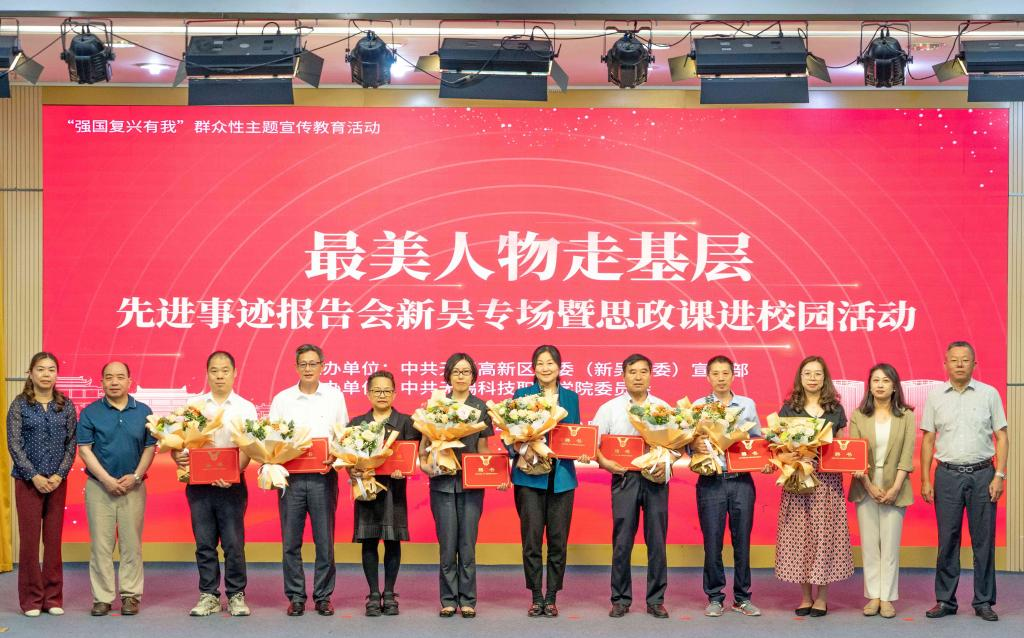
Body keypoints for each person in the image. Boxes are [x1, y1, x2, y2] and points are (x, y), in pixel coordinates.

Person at [920, 341, 1008, 622]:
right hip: (947, 476)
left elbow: (1002, 437)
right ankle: (945, 600)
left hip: (983, 475)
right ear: (945, 364)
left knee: (984, 541)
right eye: (954, 360)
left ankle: (983, 601)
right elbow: (928, 439)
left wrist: (999, 475)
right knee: (948, 539)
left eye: (965, 359)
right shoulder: (935, 396)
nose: (959, 364)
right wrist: (925, 478)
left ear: (974, 364)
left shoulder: (989, 394)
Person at [171, 351, 257, 617]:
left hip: (233, 484)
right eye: (214, 371)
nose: (220, 376)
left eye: (225, 370)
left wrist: (232, 473)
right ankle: (208, 594)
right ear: (207, 374)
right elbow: (180, 443)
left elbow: (250, 447)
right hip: (199, 485)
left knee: (233, 543)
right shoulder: (194, 405)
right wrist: (178, 455)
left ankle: (236, 595)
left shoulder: (245, 407)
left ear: (234, 373)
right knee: (204, 542)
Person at [269, 344, 348, 617]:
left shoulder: (334, 397)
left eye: (313, 363)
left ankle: (323, 596)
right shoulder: (282, 399)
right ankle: (296, 596)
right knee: (291, 542)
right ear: (296, 367)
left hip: (323, 478)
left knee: (324, 541)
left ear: (322, 366)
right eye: (303, 364)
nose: (308, 368)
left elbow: (342, 435)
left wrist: (335, 455)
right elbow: (272, 438)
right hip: (290, 479)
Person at [510, 345, 589, 618]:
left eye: (550, 363)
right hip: (529, 478)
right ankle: (535, 596)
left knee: (558, 541)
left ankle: (552, 596)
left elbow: (575, 434)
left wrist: (581, 450)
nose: (545, 368)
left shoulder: (571, 398)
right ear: (533, 368)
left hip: (561, 479)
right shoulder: (522, 395)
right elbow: (511, 434)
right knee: (531, 540)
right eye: (540, 363)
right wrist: (521, 446)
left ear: (559, 367)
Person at [690, 355, 769, 618]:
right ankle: (715, 597)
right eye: (715, 373)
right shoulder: (699, 406)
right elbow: (687, 442)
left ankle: (742, 597)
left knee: (742, 541)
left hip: (741, 481)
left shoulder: (747, 405)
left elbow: (757, 440)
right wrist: (694, 446)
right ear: (708, 377)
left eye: (725, 373)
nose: (721, 378)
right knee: (712, 541)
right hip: (711, 480)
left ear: (734, 376)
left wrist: (763, 459)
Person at [774, 355, 853, 617]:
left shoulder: (835, 409)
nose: (812, 378)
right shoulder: (789, 409)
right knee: (801, 539)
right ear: (800, 377)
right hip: (798, 480)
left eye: (818, 374)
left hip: (827, 483)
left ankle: (822, 598)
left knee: (824, 539)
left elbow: (842, 446)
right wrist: (794, 456)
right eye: (807, 373)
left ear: (824, 378)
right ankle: (805, 597)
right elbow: (778, 447)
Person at [594, 353, 670, 620]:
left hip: (655, 480)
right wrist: (606, 464)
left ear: (651, 375)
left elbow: (678, 445)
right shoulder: (610, 408)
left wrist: (667, 462)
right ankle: (620, 599)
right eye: (632, 372)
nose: (638, 377)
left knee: (657, 541)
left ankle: (656, 600)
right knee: (622, 541)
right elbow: (593, 444)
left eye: (643, 371)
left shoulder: (663, 408)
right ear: (623, 376)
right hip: (624, 478)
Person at [418, 352, 495, 619]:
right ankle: (448, 599)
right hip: (442, 483)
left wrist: (495, 473)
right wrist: (426, 466)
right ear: (448, 376)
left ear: (473, 376)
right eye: (456, 372)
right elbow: (424, 448)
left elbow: (484, 448)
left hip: (471, 486)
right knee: (447, 544)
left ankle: (468, 599)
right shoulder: (437, 405)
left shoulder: (481, 408)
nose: (461, 376)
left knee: (467, 544)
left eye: (466, 372)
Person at [76, 361, 156, 617]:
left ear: (129, 381)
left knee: (132, 544)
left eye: (120, 377)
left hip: (134, 487)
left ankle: (131, 595)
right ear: (101, 382)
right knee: (101, 545)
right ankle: (102, 598)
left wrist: (136, 476)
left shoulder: (144, 411)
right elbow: (85, 450)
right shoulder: (90, 412)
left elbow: (150, 447)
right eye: (109, 377)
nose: (114, 382)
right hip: (99, 488)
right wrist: (106, 480)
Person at [6, 352, 77, 617]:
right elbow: (14, 443)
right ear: (31, 373)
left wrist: (59, 474)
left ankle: (52, 597)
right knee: (29, 542)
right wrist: (33, 475)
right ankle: (32, 600)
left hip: (57, 482)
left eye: (51, 369)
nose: (46, 374)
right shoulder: (19, 405)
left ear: (56, 374)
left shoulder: (65, 405)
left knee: (53, 541)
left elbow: (71, 443)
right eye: (40, 369)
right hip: (28, 482)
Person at [346, 370, 419, 617]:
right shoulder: (357, 424)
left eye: (387, 390)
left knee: (392, 541)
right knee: (368, 540)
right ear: (368, 393)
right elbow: (347, 459)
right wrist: (354, 470)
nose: (382, 395)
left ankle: (389, 593)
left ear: (395, 393)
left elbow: (414, 456)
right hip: (367, 491)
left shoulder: (406, 422)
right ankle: (373, 594)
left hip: (394, 492)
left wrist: (405, 470)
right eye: (377, 390)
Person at [848, 363, 916, 619]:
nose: (880, 385)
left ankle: (887, 597)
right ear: (869, 385)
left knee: (890, 546)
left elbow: (907, 455)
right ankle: (873, 596)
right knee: (869, 545)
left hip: (895, 486)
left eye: (885, 381)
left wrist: (895, 487)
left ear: (894, 386)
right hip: (865, 485)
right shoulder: (858, 415)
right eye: (875, 380)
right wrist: (869, 485)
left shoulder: (906, 415)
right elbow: (855, 454)